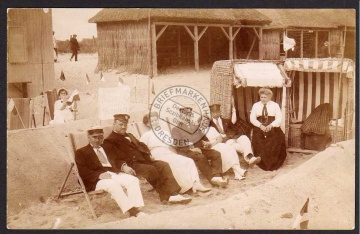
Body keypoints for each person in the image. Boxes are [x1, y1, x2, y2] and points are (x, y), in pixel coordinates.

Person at [104, 114, 192, 204]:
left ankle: (174, 194)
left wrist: (149, 154)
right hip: (131, 165)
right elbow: (113, 158)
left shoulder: (129, 135)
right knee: (151, 169)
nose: (123, 127)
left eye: (125, 124)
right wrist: (123, 166)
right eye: (121, 124)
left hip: (144, 160)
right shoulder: (110, 140)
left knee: (163, 165)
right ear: (114, 124)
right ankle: (166, 196)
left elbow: (142, 145)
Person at [75, 126, 146, 218]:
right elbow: (82, 171)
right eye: (94, 137)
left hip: (114, 173)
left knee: (133, 180)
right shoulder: (81, 152)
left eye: (100, 137)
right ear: (88, 137)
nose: (97, 140)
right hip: (98, 180)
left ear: (103, 137)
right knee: (113, 185)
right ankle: (132, 211)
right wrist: (99, 175)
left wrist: (124, 166)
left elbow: (118, 160)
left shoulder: (108, 147)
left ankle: (136, 208)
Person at [141, 112, 211, 194]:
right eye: (152, 121)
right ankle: (184, 187)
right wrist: (149, 156)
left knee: (188, 161)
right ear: (148, 124)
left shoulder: (165, 133)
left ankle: (197, 183)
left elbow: (173, 144)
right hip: (157, 154)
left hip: (168, 152)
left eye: (156, 120)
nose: (154, 122)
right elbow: (142, 148)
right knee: (173, 164)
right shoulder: (147, 135)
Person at [171, 107, 229, 188]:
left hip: (200, 149)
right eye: (185, 115)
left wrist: (206, 142)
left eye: (189, 115)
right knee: (201, 157)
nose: (188, 117)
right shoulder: (176, 129)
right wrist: (190, 148)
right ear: (181, 116)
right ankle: (212, 179)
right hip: (187, 151)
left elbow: (204, 138)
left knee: (216, 154)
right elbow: (177, 144)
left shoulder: (195, 127)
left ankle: (217, 176)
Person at [250, 88, 287, 171]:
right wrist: (260, 125)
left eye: (265, 97)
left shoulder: (275, 105)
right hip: (260, 127)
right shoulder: (255, 105)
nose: (263, 99)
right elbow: (252, 118)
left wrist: (271, 125)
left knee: (276, 140)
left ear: (269, 97)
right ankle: (262, 161)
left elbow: (279, 118)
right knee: (259, 140)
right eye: (261, 97)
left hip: (272, 127)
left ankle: (274, 163)